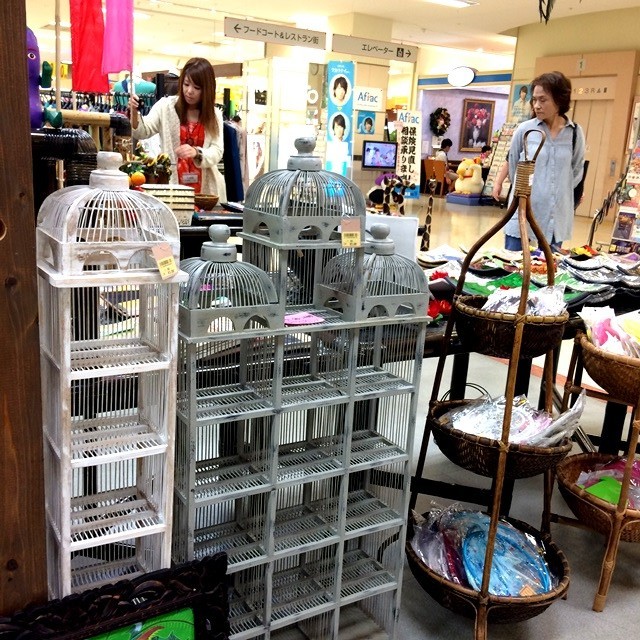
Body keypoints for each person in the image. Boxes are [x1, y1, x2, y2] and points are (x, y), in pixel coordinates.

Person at [505, 71, 585, 251]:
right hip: (523, 211)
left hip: (555, 216)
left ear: (559, 100)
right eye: (534, 100)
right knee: (513, 263)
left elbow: (576, 171)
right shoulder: (524, 130)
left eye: (543, 100)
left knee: (548, 264)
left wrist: (557, 191)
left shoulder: (575, 133)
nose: (536, 105)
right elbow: (513, 166)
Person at [128, 57, 226, 200]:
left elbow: (217, 151)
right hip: (172, 189)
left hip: (206, 193)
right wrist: (134, 113)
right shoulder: (165, 106)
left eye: (197, 88)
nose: (189, 91)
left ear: (207, 89)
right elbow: (143, 131)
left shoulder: (214, 115)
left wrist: (197, 153)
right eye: (186, 84)